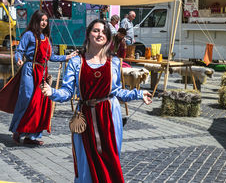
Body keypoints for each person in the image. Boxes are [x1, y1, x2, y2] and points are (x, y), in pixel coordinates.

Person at [41, 19, 152, 182]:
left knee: (110, 159)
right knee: (85, 160)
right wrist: (52, 92)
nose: (100, 34)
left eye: (103, 32)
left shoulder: (113, 62)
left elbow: (117, 92)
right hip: (85, 117)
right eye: (95, 30)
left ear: (107, 38)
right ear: (88, 34)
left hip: (109, 116)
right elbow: (67, 92)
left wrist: (138, 94)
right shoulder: (76, 62)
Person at [0, 9, 77, 146]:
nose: (44, 23)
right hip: (30, 70)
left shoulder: (47, 39)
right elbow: (20, 50)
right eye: (42, 20)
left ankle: (32, 135)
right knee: (27, 99)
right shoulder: (29, 35)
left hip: (42, 72)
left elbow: (51, 57)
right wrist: (18, 59)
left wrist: (67, 57)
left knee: (40, 103)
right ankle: (17, 130)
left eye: (46, 20)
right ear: (36, 20)